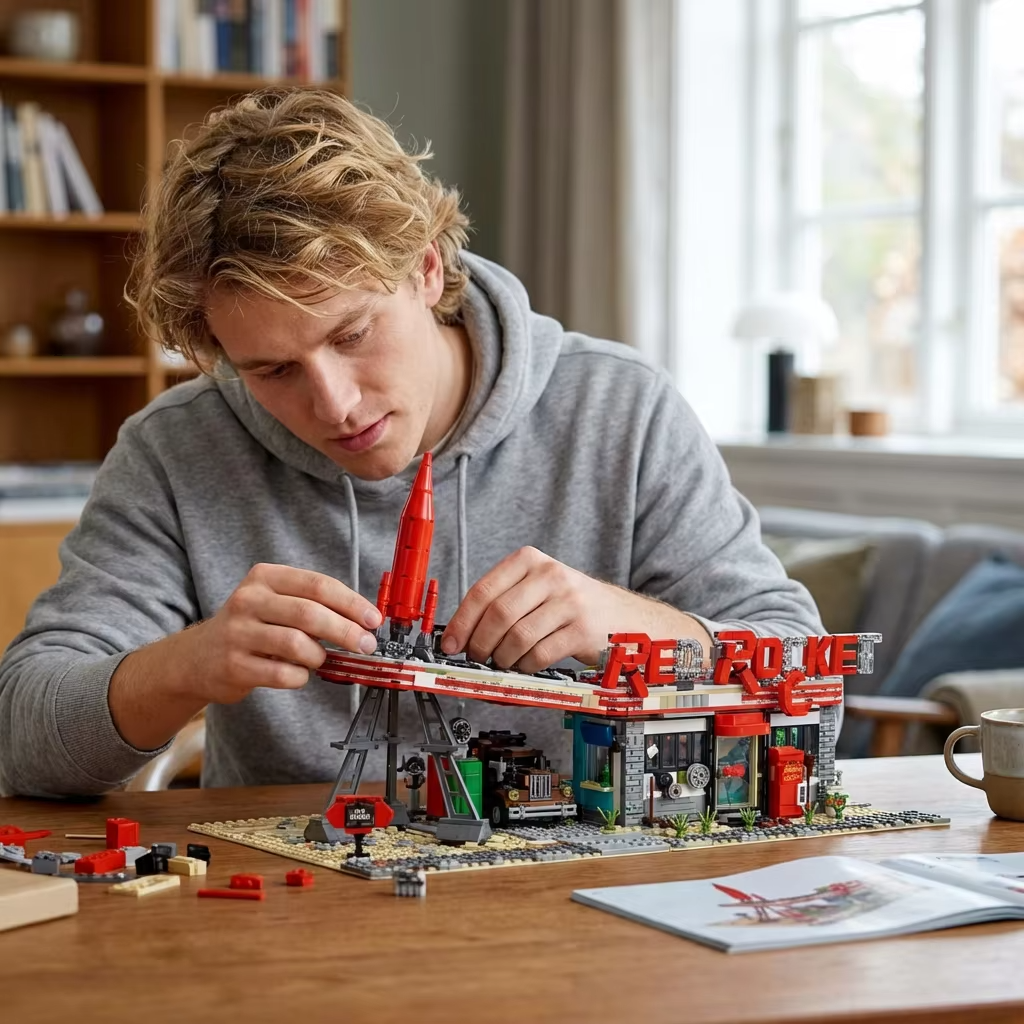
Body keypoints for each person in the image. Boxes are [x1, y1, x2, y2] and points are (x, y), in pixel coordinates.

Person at [0, 89, 822, 798]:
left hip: (586, 896)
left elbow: (813, 685)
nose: (334, 403)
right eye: (272, 370)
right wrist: (185, 666)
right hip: (298, 917)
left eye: (354, 333)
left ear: (426, 270)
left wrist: (644, 631)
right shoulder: (174, 451)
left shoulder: (621, 408)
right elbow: (23, 736)